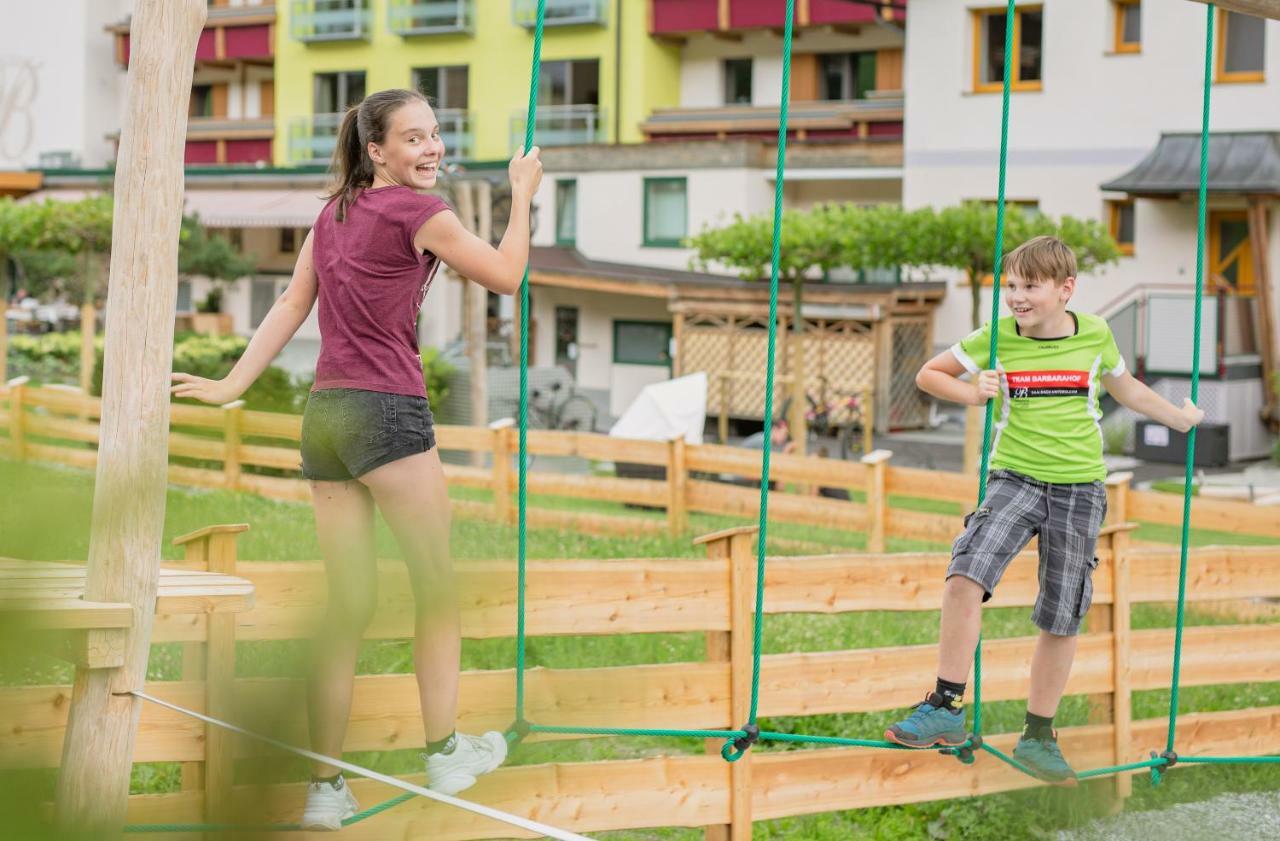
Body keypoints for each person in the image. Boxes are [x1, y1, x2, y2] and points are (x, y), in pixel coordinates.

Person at [171, 88, 543, 830]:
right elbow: (505, 275)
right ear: (377, 150)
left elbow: (287, 305)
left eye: (435, 135)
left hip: (326, 418)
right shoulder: (418, 213)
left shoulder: (330, 213)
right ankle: (444, 750)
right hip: (387, 410)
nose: (430, 149)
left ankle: (324, 787)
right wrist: (521, 196)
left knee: (348, 607)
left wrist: (231, 384)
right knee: (437, 589)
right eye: (414, 138)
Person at [883, 236, 1204, 784]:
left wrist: (1179, 419)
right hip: (1015, 478)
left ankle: (1037, 735)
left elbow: (1125, 388)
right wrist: (973, 391)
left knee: (1062, 613)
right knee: (965, 573)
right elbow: (928, 374)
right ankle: (945, 706)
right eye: (1010, 286)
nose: (1017, 297)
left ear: (1065, 290)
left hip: (1080, 487)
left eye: (1029, 286)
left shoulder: (1097, 334)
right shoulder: (998, 336)